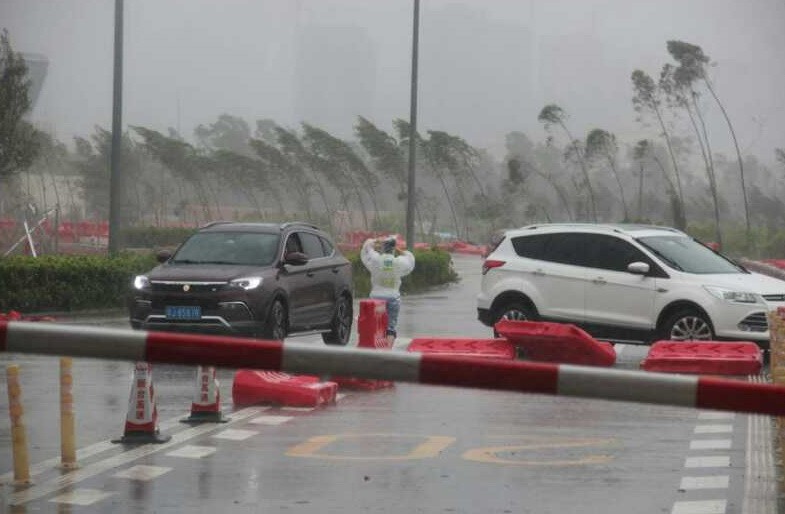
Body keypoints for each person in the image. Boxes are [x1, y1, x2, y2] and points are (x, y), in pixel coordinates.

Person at [360, 235, 415, 345]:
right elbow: (411, 259)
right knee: (391, 326)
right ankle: (388, 349)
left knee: (375, 324)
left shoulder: (375, 260)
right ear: (393, 248)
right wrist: (399, 249)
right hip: (393, 298)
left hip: (376, 299)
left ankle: (374, 348)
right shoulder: (399, 262)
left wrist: (375, 240)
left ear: (382, 248)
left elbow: (366, 248)